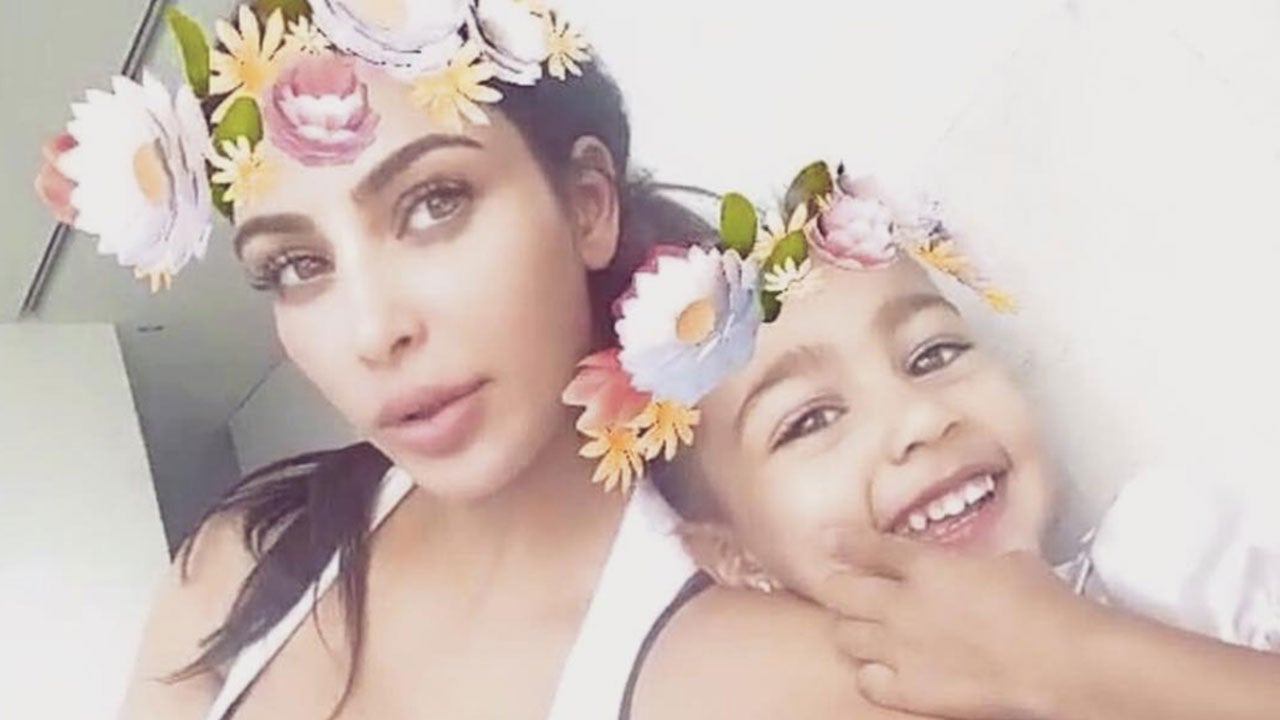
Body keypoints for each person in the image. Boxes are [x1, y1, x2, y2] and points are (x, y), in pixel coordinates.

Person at [34, 5, 922, 719]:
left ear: (586, 206)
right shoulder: (240, 566)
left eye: (434, 203)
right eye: (297, 266)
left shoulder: (777, 681)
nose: (373, 330)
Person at [565, 158, 1280, 720]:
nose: (921, 419)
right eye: (811, 420)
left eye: (933, 355)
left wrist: (1068, 655)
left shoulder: (1178, 565)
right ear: (734, 556)